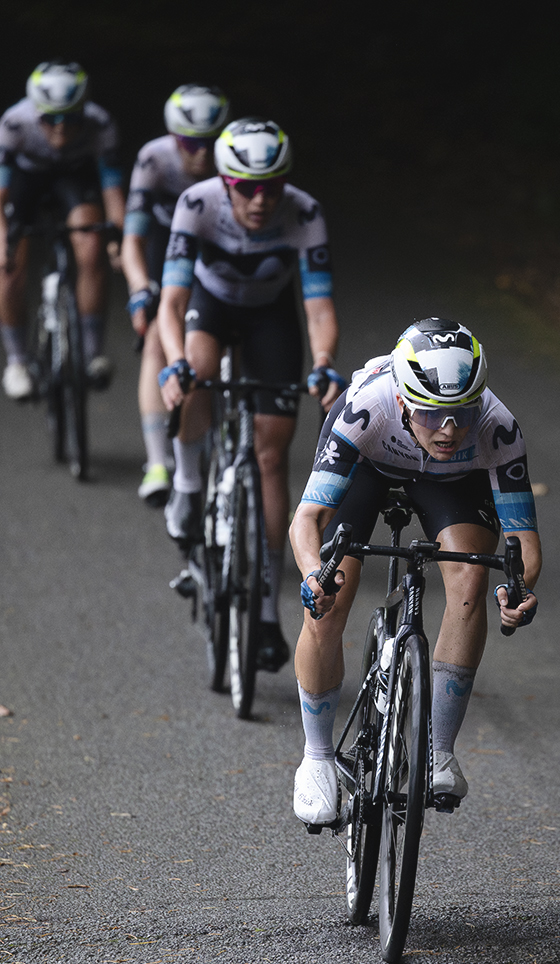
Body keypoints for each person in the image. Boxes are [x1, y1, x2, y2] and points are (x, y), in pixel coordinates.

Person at [289, 316, 542, 826]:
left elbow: (523, 544)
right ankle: (316, 758)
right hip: (368, 463)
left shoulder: (497, 427)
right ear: (404, 401)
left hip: (451, 481)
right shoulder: (367, 408)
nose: (449, 430)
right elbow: (307, 521)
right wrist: (315, 572)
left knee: (470, 579)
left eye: (461, 413)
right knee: (331, 594)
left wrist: (518, 589)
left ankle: (439, 752)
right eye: (431, 414)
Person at [157, 116, 342, 673]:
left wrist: (325, 363)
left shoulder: (304, 212)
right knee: (197, 379)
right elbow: (171, 302)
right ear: (225, 181)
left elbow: (318, 307)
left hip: (270, 318)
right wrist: (174, 365)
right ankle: (189, 484)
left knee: (270, 455)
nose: (261, 200)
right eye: (246, 187)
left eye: (272, 186)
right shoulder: (196, 203)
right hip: (209, 308)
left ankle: (264, 609)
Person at [121, 84, 229, 507]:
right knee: (155, 338)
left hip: (218, 251)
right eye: (190, 143)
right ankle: (157, 463)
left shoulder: (234, 161)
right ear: (173, 137)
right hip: (167, 246)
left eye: (210, 143)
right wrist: (138, 288)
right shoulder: (155, 158)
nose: (201, 154)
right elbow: (133, 237)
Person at [0, 61, 125, 400]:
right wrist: (3, 241)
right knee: (8, 267)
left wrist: (119, 239)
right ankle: (17, 361)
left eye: (70, 118)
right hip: (27, 180)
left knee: (92, 246)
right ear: (35, 112)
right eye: (49, 118)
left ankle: (93, 352)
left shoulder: (100, 123)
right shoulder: (14, 123)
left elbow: (112, 190)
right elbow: (1, 194)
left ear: (83, 111)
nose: (59, 128)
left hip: (74, 177)